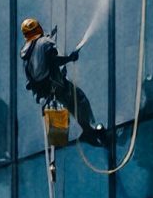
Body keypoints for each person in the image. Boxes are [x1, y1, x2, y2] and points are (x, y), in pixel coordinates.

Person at [20, 18, 110, 148]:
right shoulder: (44, 43)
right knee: (78, 98)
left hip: (43, 90)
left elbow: (38, 65)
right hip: (55, 85)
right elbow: (52, 60)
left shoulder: (27, 51)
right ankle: (88, 131)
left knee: (66, 104)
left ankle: (64, 139)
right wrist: (69, 58)